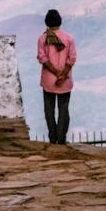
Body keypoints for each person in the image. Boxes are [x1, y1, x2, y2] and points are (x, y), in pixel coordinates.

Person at [37, 9, 77, 145]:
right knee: (63, 110)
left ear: (47, 23)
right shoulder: (69, 38)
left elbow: (42, 58)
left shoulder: (43, 39)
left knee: (49, 110)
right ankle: (61, 138)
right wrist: (62, 74)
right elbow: (72, 59)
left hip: (48, 81)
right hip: (64, 81)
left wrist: (54, 72)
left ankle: (52, 138)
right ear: (60, 21)